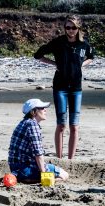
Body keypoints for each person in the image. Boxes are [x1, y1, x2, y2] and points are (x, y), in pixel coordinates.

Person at [34, 15, 94, 159]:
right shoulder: (58, 42)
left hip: (76, 88)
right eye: (68, 27)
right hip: (60, 87)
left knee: (74, 126)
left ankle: (71, 159)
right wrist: (55, 64)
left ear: (78, 28)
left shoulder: (84, 44)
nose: (71, 30)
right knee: (61, 125)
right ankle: (60, 158)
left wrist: (81, 64)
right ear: (64, 28)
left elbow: (91, 57)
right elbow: (38, 55)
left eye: (73, 27)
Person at [8, 98, 69, 183]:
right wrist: (44, 174)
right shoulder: (32, 125)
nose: (45, 110)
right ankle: (34, 180)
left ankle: (27, 178)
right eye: (42, 108)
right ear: (34, 111)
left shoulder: (24, 122)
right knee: (64, 175)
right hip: (25, 169)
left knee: (52, 169)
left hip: (15, 168)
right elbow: (38, 153)